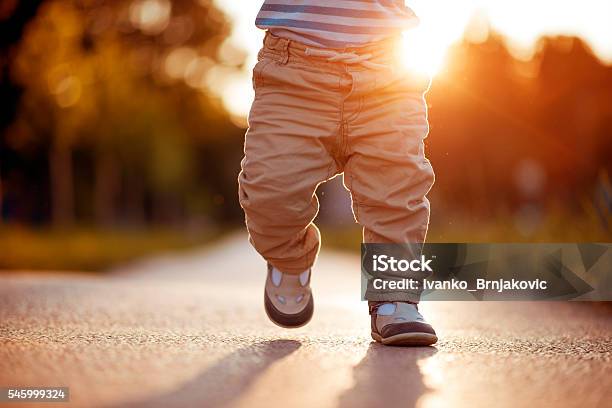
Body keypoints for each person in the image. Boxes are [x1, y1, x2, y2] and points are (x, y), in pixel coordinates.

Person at [238, 1, 437, 346]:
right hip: (293, 74)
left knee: (396, 190)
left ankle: (394, 298)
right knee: (270, 191)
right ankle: (289, 258)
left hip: (386, 72)